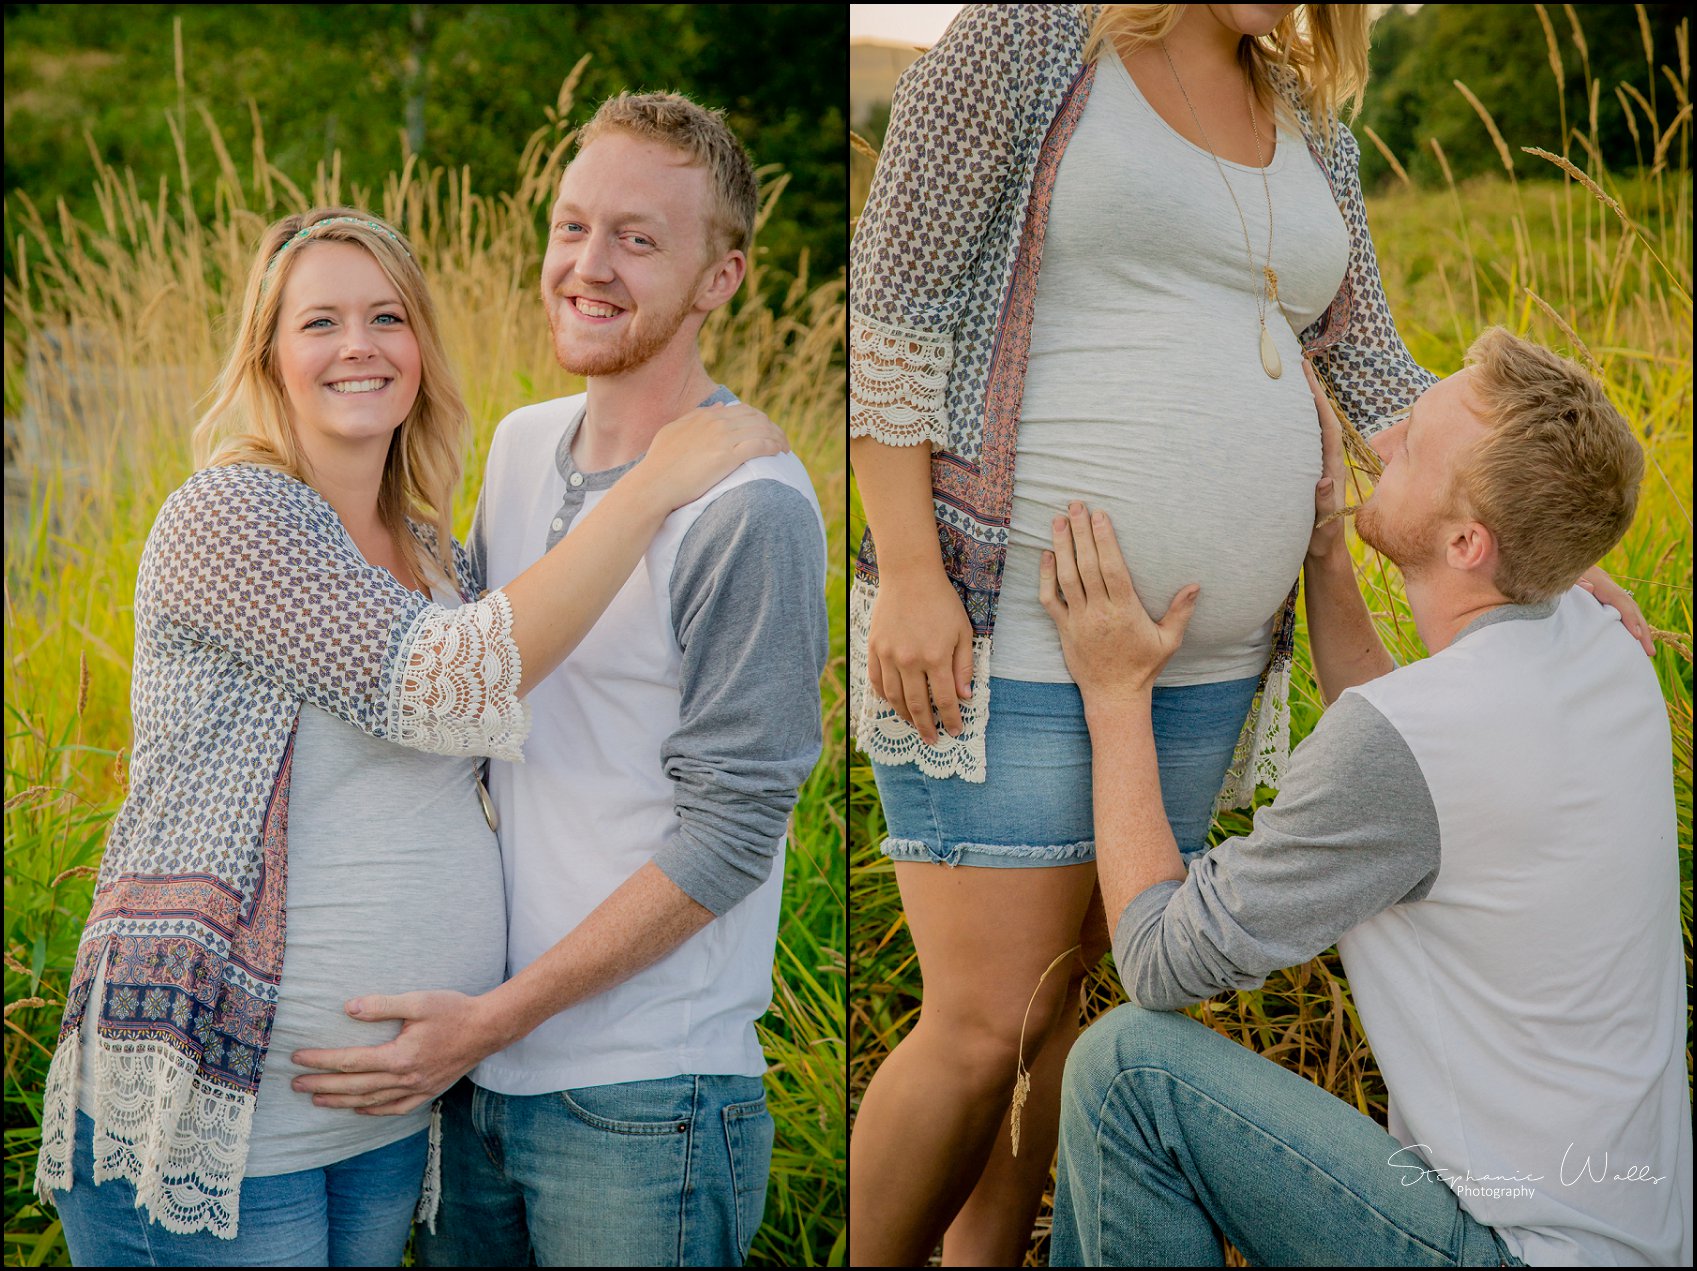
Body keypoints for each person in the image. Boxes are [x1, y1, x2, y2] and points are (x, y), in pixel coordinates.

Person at [845, 5, 1650, 1263]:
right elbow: (892, 314)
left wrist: (1552, 549)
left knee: (1048, 1016)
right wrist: (906, 569)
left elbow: (1369, 353)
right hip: (1006, 613)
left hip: (1193, 655)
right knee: (977, 1020)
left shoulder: (1304, 111)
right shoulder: (1025, 39)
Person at [32, 206, 787, 1267]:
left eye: (387, 316)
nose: (359, 345)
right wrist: (658, 479)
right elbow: (452, 682)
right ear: (269, 354)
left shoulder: (435, 551)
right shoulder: (233, 515)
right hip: (226, 1110)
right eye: (320, 321)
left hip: (389, 1122)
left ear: (421, 347)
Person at [288, 92, 828, 1267]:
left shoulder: (753, 508)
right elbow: (462, 698)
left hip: (645, 1099)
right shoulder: (523, 445)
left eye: (638, 239)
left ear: (719, 277)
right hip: (476, 1090)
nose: (587, 266)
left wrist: (495, 1016)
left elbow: (734, 828)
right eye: (572, 226)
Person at [1040, 330, 1690, 1266]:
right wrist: (1326, 553)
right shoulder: (1603, 642)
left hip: (1518, 1249)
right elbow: (1415, 769)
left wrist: (1113, 692)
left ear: (1470, 542)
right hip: (1640, 1237)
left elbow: (1156, 960)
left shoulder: (1410, 744)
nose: (1378, 443)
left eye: (1413, 444)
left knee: (1126, 1068)